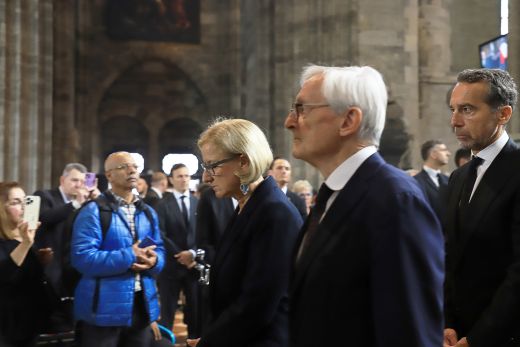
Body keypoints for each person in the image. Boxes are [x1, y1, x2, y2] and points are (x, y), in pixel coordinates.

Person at [285, 65, 444, 347]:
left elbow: (410, 332)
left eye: (302, 109)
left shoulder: (395, 200)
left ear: (348, 120)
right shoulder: (336, 193)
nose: (290, 121)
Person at [186, 118, 302, 347]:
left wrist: (210, 341)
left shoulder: (274, 213)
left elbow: (258, 304)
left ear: (244, 162)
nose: (206, 178)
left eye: (213, 166)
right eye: (204, 167)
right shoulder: (247, 205)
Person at [444, 68, 520, 347]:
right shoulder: (458, 176)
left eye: (467, 110)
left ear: (503, 114)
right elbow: (451, 256)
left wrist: (478, 338)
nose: (454, 121)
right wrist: (447, 322)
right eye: (453, 109)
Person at [71, 151, 165, 347]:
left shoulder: (148, 212)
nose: (131, 170)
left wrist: (154, 261)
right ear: (109, 175)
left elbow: (160, 249)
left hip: (141, 305)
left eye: (134, 166)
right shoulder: (94, 211)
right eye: (123, 167)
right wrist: (130, 255)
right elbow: (83, 258)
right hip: (103, 310)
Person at [33, 163, 100, 333]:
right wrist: (75, 204)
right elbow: (45, 218)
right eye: (74, 180)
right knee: (49, 324)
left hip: (74, 270)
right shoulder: (45, 196)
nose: (79, 185)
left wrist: (98, 201)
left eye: (82, 181)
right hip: (50, 268)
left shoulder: (86, 203)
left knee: (74, 324)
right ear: (62, 180)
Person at [0, 182, 51, 346]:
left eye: (25, 201)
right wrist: (25, 244)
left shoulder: (25, 235)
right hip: (8, 323)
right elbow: (5, 275)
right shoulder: (14, 240)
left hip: (30, 318)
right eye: (15, 202)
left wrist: (40, 261)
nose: (23, 207)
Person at [155, 163, 199, 337]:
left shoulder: (198, 202)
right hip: (171, 266)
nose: (184, 179)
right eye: (179, 176)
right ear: (171, 179)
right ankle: (164, 343)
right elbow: (161, 233)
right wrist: (181, 255)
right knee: (168, 311)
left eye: (187, 176)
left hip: (193, 265)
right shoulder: (162, 204)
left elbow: (202, 233)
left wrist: (192, 254)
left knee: (195, 310)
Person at [414, 140, 451, 221]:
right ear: (433, 154)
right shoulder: (415, 181)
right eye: (444, 150)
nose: (448, 154)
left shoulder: (449, 180)